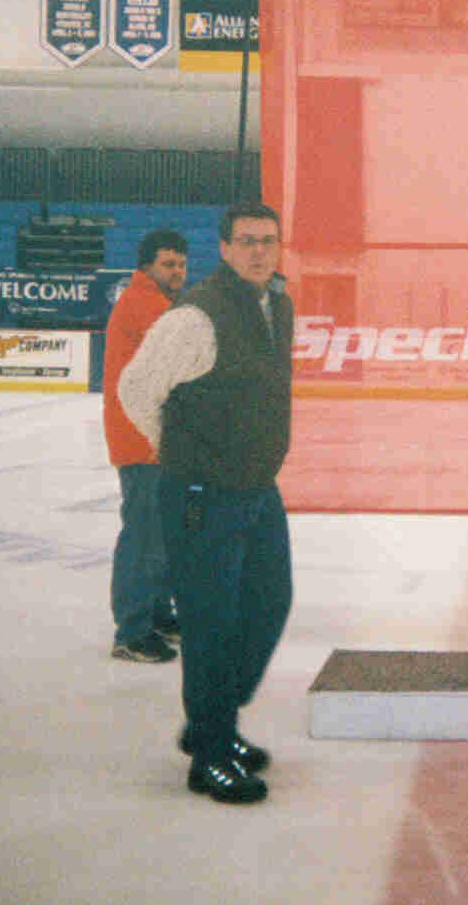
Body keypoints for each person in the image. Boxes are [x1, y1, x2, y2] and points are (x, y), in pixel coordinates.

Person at [119, 202, 294, 805]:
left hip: (255, 485)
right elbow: (136, 388)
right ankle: (211, 756)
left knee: (270, 600)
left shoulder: (277, 304)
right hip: (202, 492)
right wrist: (182, 455)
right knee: (211, 623)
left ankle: (210, 723)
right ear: (223, 248)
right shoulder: (197, 316)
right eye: (245, 241)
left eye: (268, 241)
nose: (257, 252)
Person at [104, 228, 188, 664]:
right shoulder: (145, 303)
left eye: (181, 264)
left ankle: (156, 613)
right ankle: (132, 631)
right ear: (146, 268)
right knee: (144, 536)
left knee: (163, 534)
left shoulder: (159, 304)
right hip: (142, 442)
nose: (177, 271)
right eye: (168, 264)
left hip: (159, 441)